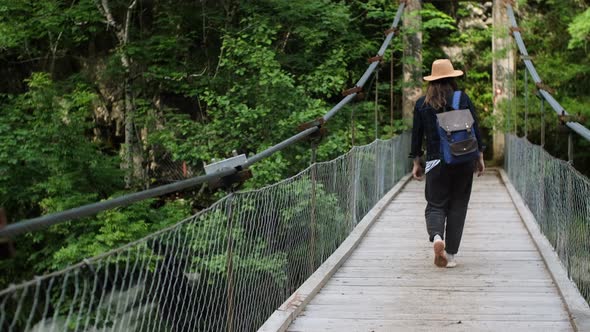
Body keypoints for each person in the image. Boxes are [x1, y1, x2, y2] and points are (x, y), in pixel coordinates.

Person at [409, 59, 485, 268]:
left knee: (435, 204)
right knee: (458, 205)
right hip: (463, 160)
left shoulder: (422, 104)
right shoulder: (462, 99)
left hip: (435, 161)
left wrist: (417, 161)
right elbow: (475, 129)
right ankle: (450, 255)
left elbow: (416, 137)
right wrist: (479, 157)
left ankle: (436, 237)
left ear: (431, 81)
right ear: (452, 78)